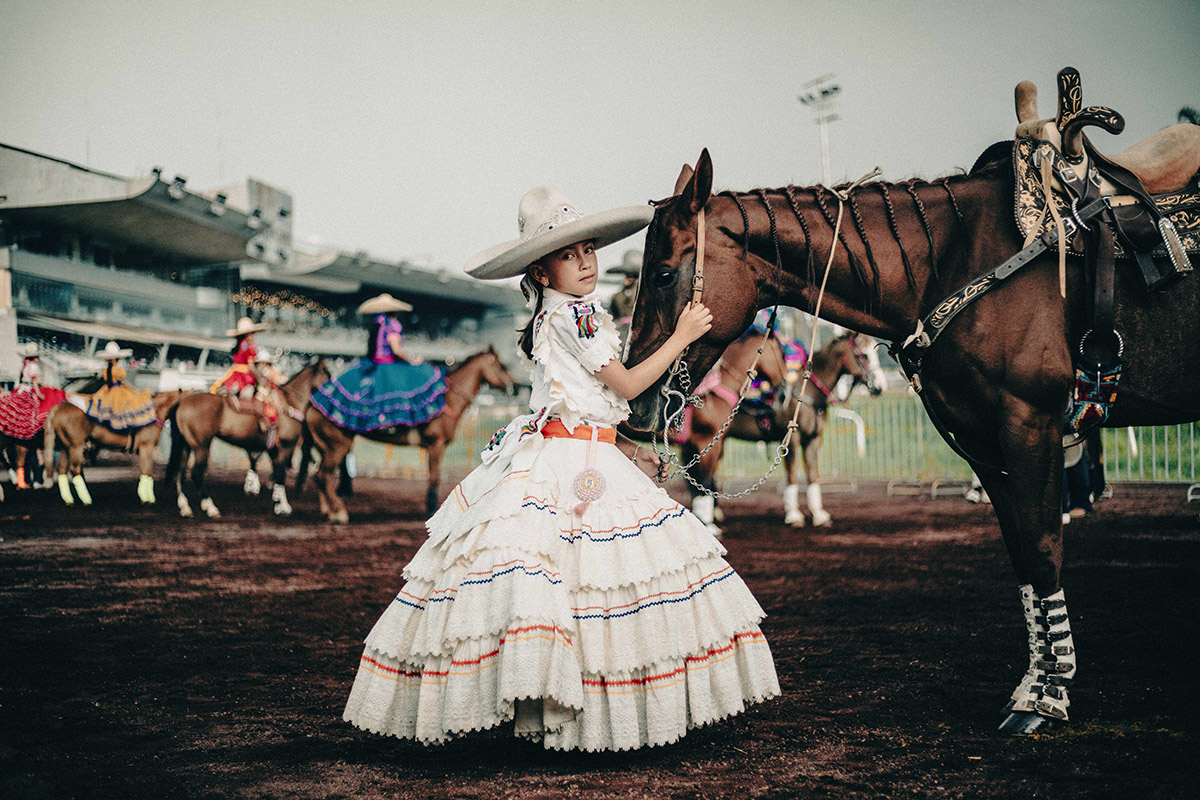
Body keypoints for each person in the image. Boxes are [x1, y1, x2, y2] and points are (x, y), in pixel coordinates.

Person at [342, 186, 780, 752]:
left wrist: (620, 446)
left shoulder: (561, 314)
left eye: (590, 249)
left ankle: (546, 699)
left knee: (571, 578)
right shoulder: (576, 316)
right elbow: (623, 384)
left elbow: (582, 403)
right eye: (571, 254)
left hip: (574, 449)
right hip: (568, 461)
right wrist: (682, 336)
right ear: (542, 271)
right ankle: (587, 706)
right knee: (604, 576)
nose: (587, 261)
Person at [309, 293, 446, 431]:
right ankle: (395, 426)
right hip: (387, 365)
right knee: (421, 375)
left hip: (373, 363)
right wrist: (412, 360)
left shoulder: (378, 323)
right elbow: (396, 350)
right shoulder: (393, 325)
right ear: (395, 311)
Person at [0, 342, 66, 487]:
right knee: (35, 410)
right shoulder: (34, 367)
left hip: (21, 389)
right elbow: (35, 383)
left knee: (18, 412)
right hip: (29, 390)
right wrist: (39, 394)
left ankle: (21, 479)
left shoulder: (25, 365)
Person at [83, 341, 157, 431]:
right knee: (127, 406)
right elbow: (124, 382)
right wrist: (135, 390)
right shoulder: (118, 370)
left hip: (107, 390)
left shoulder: (105, 370)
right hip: (118, 390)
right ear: (116, 359)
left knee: (106, 406)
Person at [210, 317, 267, 397]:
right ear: (247, 334)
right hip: (244, 378)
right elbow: (251, 366)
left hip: (234, 376)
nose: (254, 336)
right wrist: (259, 378)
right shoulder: (250, 347)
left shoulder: (239, 345)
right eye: (252, 333)